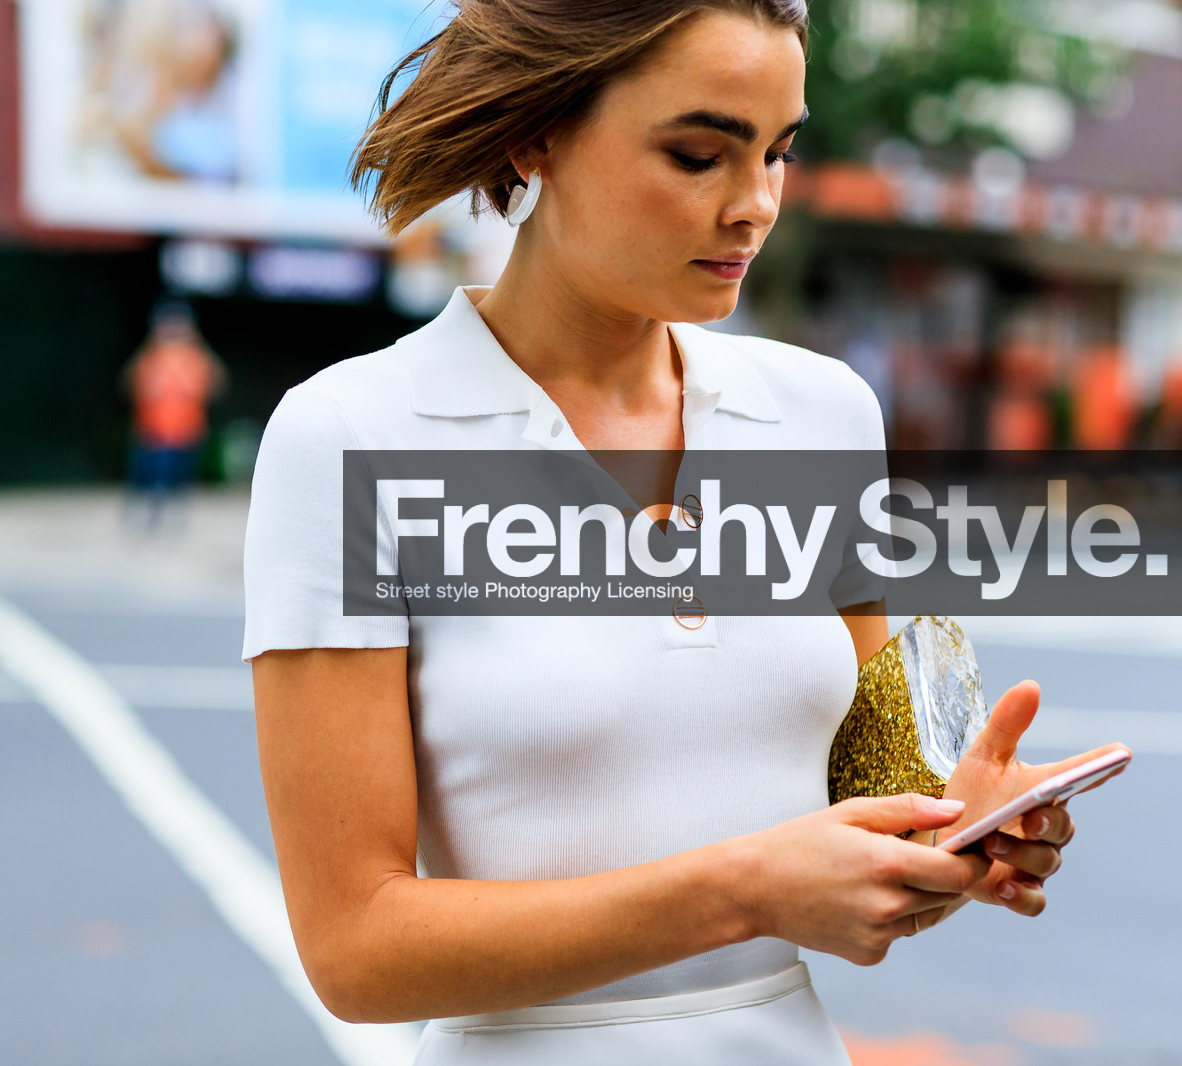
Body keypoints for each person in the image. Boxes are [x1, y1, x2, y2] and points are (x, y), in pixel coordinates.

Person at [241, 3, 1126, 1063]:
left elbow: (866, 792)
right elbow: (355, 949)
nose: (756, 205)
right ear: (536, 137)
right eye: (699, 155)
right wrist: (746, 889)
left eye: (778, 152)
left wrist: (956, 821)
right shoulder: (350, 435)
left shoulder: (825, 415)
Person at [121, 300, 228, 530]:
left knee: (180, 480)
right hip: (153, 431)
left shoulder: (195, 357)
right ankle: (149, 515)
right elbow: (129, 383)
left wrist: (198, 343)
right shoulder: (152, 357)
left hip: (186, 431)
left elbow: (217, 383)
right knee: (149, 477)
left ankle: (170, 518)